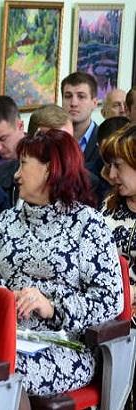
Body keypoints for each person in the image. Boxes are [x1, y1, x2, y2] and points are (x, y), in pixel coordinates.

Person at [0, 129, 123, 398]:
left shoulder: (88, 224)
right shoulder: (7, 220)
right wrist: (5, 297)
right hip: (11, 336)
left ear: (49, 169)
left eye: (24, 164)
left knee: (5, 372)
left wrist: (53, 308)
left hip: (67, 346)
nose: (16, 175)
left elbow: (110, 300)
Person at [100, 123, 136, 303]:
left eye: (118, 165)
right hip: (108, 305)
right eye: (110, 166)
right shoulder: (109, 204)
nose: (112, 174)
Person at [61, 72, 100, 174]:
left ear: (94, 103)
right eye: (68, 96)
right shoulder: (53, 139)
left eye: (81, 97)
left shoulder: (104, 141)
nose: (73, 103)